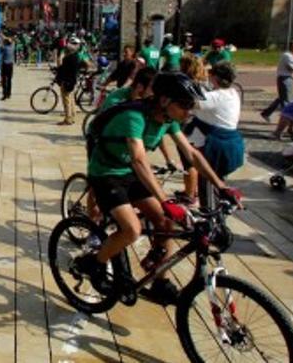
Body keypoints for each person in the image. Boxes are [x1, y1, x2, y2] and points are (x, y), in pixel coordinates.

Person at [75, 73, 240, 305]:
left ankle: (159, 281)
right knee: (132, 229)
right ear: (164, 100)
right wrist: (165, 200)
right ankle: (96, 264)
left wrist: (221, 187)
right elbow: (139, 160)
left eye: (191, 106)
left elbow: (191, 153)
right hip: (106, 174)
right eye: (184, 105)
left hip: (130, 174)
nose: (189, 112)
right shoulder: (134, 117)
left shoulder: (169, 120)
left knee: (165, 223)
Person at [185, 62, 244, 207]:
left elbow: (189, 103)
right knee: (217, 182)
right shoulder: (233, 93)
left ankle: (211, 219)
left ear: (215, 77)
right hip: (230, 144)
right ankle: (216, 215)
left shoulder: (216, 96)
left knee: (208, 185)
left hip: (216, 146)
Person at [261, 40, 293, 122]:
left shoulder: (291, 55)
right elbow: (292, 68)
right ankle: (287, 120)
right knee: (286, 101)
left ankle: (266, 113)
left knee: (282, 98)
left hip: (287, 79)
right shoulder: (288, 56)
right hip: (285, 79)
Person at [55, 37, 88, 125]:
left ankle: (68, 119)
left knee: (66, 100)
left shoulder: (67, 59)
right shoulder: (76, 57)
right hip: (73, 80)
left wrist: (60, 57)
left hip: (67, 81)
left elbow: (61, 67)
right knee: (71, 99)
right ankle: (72, 115)